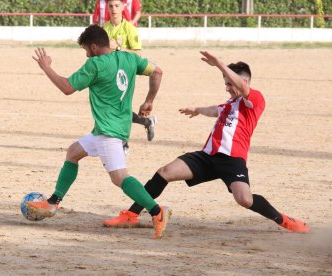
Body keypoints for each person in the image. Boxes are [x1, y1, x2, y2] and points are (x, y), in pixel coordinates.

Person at [103, 50, 310, 234]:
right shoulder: (230, 104)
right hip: (207, 157)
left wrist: (220, 64)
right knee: (164, 172)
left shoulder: (254, 100)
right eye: (226, 84)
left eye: (231, 84)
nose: (228, 88)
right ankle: (131, 214)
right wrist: (197, 110)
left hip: (232, 160)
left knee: (244, 199)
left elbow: (241, 86)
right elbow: (215, 110)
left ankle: (285, 221)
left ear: (244, 82)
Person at [26, 24, 171, 239]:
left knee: (120, 178)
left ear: (93, 47)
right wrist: (149, 100)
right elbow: (158, 71)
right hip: (110, 128)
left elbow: (67, 88)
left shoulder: (94, 65)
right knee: (73, 152)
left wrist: (47, 67)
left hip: (109, 132)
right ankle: (53, 203)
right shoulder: (130, 58)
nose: (86, 54)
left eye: (86, 50)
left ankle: (157, 212)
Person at [104, 0, 156, 145]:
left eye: (116, 5)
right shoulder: (105, 29)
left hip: (126, 72)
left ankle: (123, 142)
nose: (113, 9)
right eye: (111, 6)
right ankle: (146, 122)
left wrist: (118, 48)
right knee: (116, 107)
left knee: (117, 106)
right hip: (111, 73)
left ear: (123, 7)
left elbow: (138, 55)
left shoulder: (130, 28)